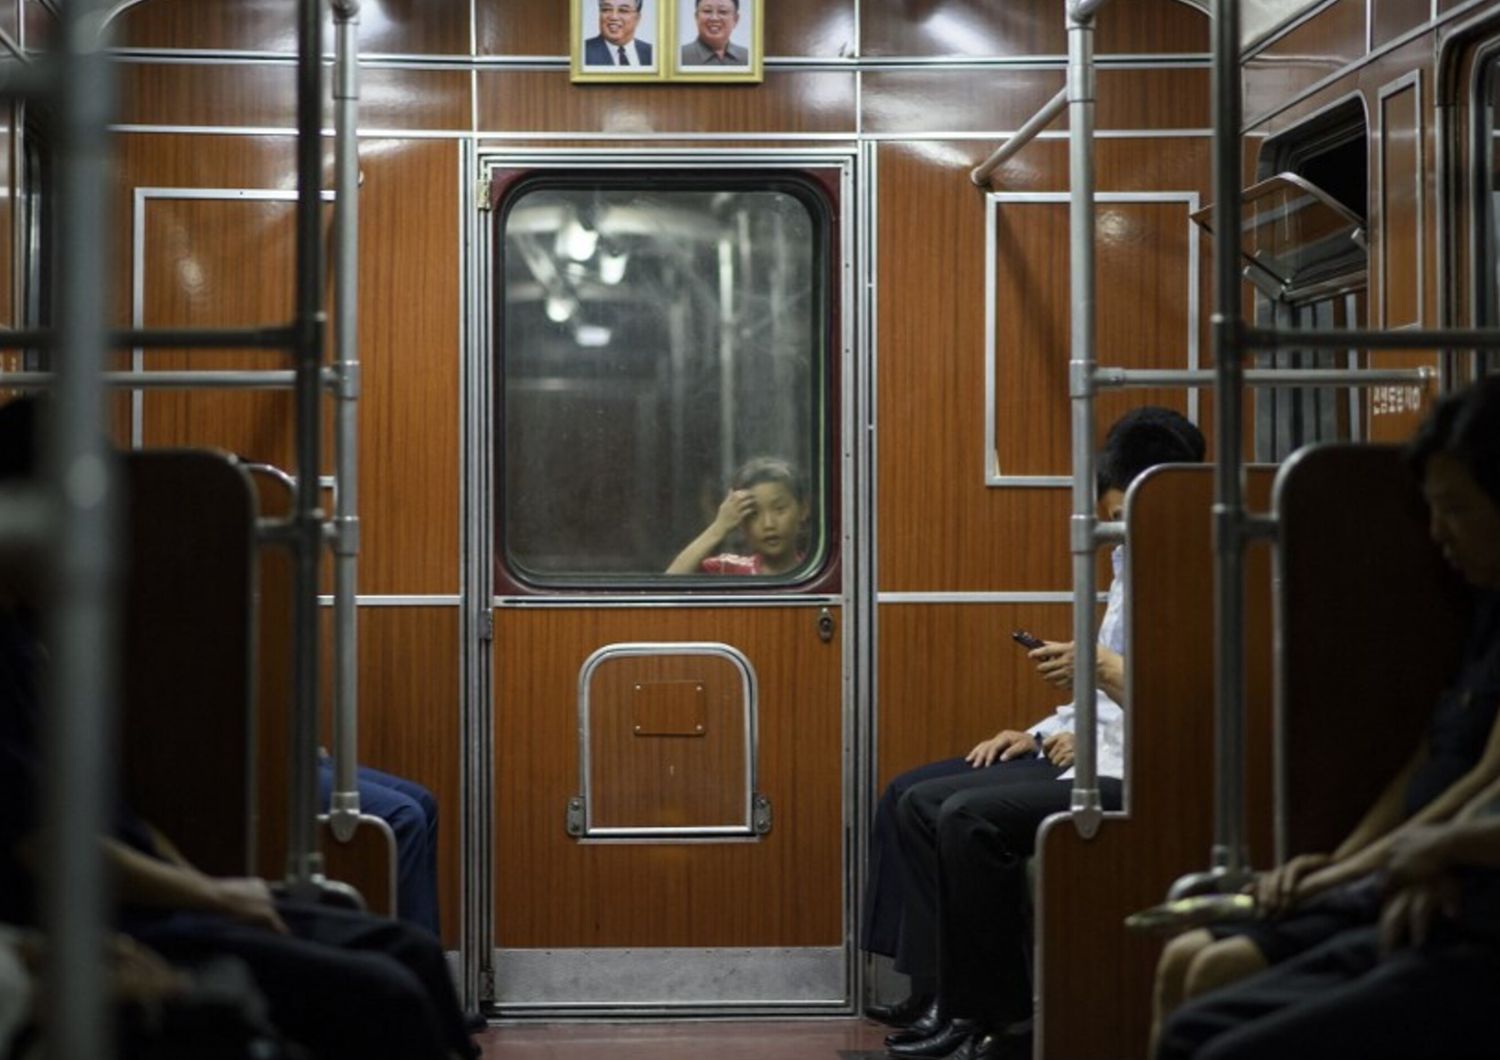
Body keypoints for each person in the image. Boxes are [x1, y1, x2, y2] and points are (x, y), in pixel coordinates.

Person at [0, 398, 477, 1060]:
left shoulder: (41, 643)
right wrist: (210, 893)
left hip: (159, 900)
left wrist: (202, 885)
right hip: (108, 920)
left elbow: (117, 815)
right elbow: (45, 846)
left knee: (411, 949)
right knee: (384, 990)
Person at [1154, 376, 1500, 1058]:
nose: (1438, 536)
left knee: (1209, 1021)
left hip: (1463, 901)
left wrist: (1422, 857)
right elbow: (1438, 764)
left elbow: (1483, 786)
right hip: (1423, 869)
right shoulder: (1488, 612)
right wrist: (1335, 865)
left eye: (1456, 510)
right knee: (1185, 971)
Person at [874, 407, 1206, 1060]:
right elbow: (1107, 686)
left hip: (1140, 768)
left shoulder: (1212, 576)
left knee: (966, 817)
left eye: (1124, 519)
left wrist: (1099, 675)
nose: (1114, 537)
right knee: (911, 795)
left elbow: (1196, 707)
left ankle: (998, 1020)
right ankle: (943, 992)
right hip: (1099, 746)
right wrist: (1040, 727)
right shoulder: (1131, 568)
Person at [317, 752, 442, 937]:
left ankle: (428, 948)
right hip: (279, 766)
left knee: (424, 802)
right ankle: (409, 957)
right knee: (405, 816)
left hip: (305, 757)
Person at [666, 456, 809, 575]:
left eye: (779, 509)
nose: (769, 524)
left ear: (803, 510)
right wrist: (719, 527)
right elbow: (671, 581)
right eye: (753, 513)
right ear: (741, 522)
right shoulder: (728, 568)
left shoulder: (816, 571)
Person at [583, 0, 654, 68]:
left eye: (623, 10)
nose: (614, 17)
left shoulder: (652, 53)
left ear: (637, 18)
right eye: (606, 9)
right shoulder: (582, 52)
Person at [679, 0, 748, 66]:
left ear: (735, 19)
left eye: (722, 12)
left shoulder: (748, 58)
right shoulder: (679, 57)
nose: (714, 18)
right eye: (707, 11)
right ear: (696, 17)